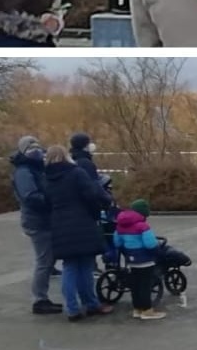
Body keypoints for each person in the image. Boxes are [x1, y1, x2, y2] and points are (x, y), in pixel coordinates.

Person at [42, 144, 111, 321]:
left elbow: (46, 203)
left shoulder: (46, 178)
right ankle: (91, 303)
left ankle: (72, 308)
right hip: (82, 222)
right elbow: (92, 195)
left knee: (69, 266)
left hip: (59, 224)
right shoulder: (76, 173)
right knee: (86, 266)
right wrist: (97, 212)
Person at [10, 135, 62, 314]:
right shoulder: (24, 172)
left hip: (44, 219)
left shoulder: (37, 169)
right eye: (31, 148)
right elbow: (30, 197)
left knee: (48, 259)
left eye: (38, 147)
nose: (36, 151)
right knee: (44, 261)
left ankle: (41, 296)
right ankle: (39, 299)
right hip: (37, 221)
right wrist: (52, 200)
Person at [114, 198, 166, 320]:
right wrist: (157, 252)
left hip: (131, 261)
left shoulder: (120, 226)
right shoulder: (143, 226)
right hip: (145, 260)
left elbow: (117, 242)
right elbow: (150, 244)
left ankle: (137, 309)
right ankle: (147, 310)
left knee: (135, 285)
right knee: (145, 285)